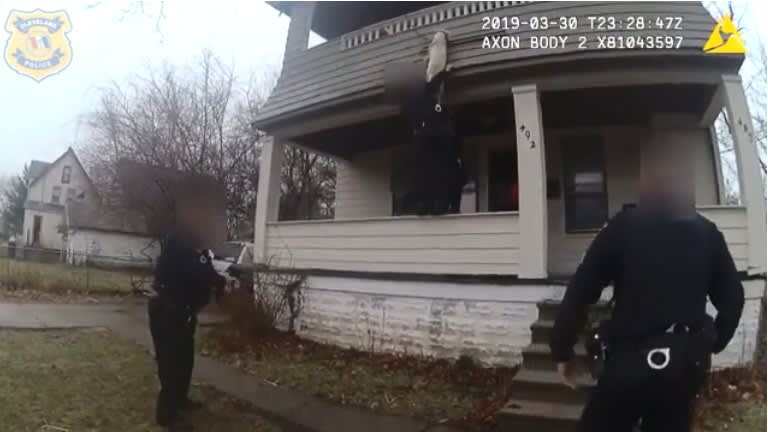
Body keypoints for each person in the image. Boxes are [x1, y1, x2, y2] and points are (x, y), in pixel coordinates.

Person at [549, 139, 745, 432]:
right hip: (683, 365)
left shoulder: (623, 227)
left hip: (627, 364)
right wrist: (713, 343)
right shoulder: (708, 233)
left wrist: (562, 349)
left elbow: (581, 290)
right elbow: (733, 300)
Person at [149, 193, 226, 430]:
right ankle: (167, 415)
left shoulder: (194, 245)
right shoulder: (179, 242)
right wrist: (217, 280)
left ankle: (180, 401)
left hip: (183, 312)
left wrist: (219, 279)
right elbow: (200, 271)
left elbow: (206, 269)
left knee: (184, 360)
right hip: (169, 311)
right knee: (170, 363)